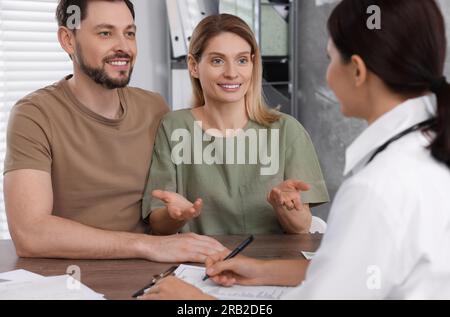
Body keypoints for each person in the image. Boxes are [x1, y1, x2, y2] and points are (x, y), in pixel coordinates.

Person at [140, 0, 450, 299]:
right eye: (218, 60)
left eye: (329, 59)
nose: (326, 75)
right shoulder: (422, 157)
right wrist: (262, 271)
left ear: (356, 71)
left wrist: (197, 305)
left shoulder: (376, 189)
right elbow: (356, 273)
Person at [3, 0, 225, 262]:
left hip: (152, 272)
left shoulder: (154, 107)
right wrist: (147, 246)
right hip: (73, 278)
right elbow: (31, 233)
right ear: (68, 40)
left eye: (129, 33)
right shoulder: (34, 114)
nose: (124, 46)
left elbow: (163, 214)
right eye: (105, 33)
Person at [141, 14, 329, 236]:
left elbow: (300, 228)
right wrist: (175, 216)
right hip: (202, 262)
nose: (232, 73)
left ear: (252, 64)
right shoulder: (173, 126)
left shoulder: (287, 131)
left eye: (241, 60)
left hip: (270, 264)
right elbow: (158, 222)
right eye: (217, 60)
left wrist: (284, 207)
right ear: (193, 66)